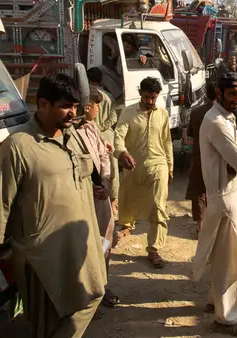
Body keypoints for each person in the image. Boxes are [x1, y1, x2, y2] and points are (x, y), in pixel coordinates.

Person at [0, 74, 106, 338]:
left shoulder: (73, 137)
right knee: (47, 322)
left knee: (93, 295)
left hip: (80, 244)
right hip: (42, 254)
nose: (72, 113)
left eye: (75, 106)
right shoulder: (19, 146)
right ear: (43, 105)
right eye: (65, 106)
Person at [193, 72, 237, 337]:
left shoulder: (225, 118)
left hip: (231, 195)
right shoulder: (217, 122)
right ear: (219, 93)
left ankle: (214, 302)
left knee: (222, 256)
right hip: (227, 198)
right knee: (230, 261)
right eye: (232, 94)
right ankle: (226, 318)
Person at [114, 77, 173, 269]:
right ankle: (127, 226)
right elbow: (119, 136)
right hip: (133, 166)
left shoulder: (163, 114)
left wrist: (170, 166)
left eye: (153, 98)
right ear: (140, 93)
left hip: (158, 164)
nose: (149, 102)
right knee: (128, 201)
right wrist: (122, 153)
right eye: (147, 97)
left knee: (158, 206)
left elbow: (167, 142)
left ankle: (154, 249)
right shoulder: (128, 112)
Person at [76, 87, 119, 309]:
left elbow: (103, 156)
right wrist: (92, 187)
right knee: (87, 245)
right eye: (97, 106)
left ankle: (102, 284)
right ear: (88, 107)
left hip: (101, 196)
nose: (99, 110)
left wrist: (104, 182)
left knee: (105, 241)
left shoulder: (92, 127)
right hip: (86, 200)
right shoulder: (73, 133)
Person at [87, 67, 119, 214]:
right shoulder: (109, 96)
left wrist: (96, 128)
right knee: (112, 171)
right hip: (107, 135)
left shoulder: (87, 96)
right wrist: (102, 127)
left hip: (91, 135)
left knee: (94, 169)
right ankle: (113, 203)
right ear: (101, 80)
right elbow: (113, 118)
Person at [186, 82, 217, 234]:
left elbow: (191, 133)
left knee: (198, 191)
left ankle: (201, 226)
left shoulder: (196, 112)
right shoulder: (222, 114)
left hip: (199, 154)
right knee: (214, 190)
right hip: (216, 157)